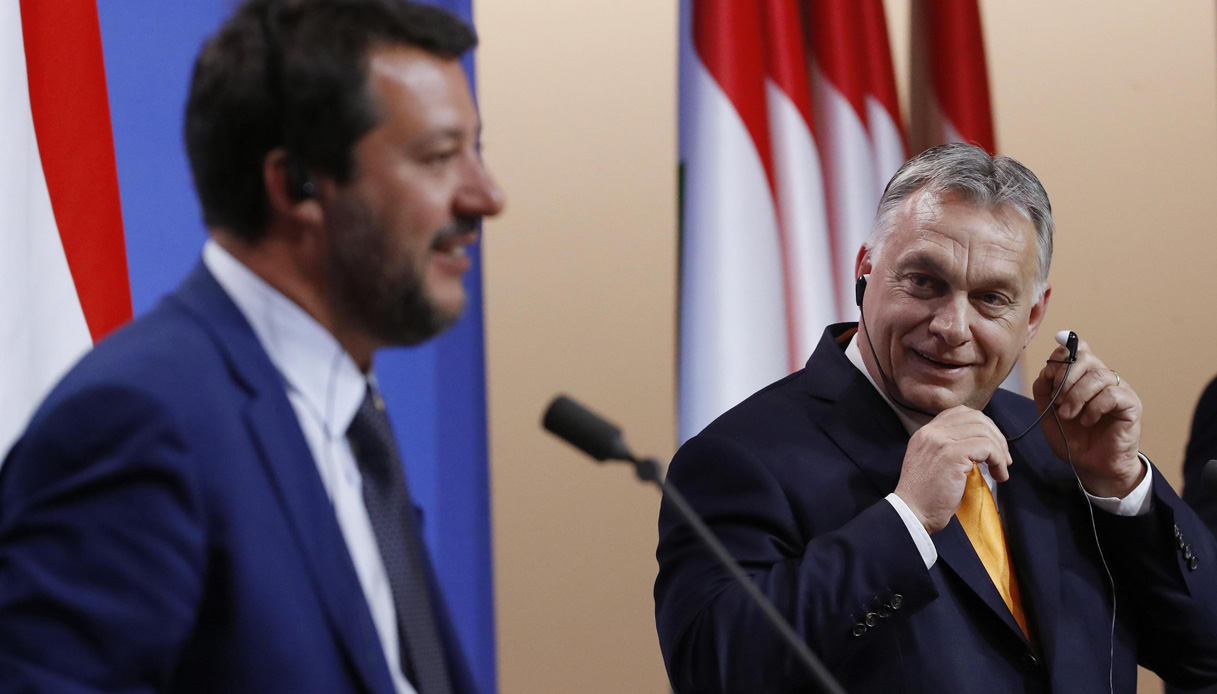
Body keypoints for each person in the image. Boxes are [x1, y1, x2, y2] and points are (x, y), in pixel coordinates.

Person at [0, 1, 503, 693]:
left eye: (477, 151)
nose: (486, 196)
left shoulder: (351, 420)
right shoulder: (138, 424)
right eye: (439, 158)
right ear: (295, 185)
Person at [655, 143, 1217, 694]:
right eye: (924, 282)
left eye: (991, 298)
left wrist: (1120, 488)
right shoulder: (741, 458)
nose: (952, 326)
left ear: (1033, 316)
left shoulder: (1062, 443)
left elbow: (1204, 657)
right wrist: (906, 520)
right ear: (865, 272)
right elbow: (713, 670)